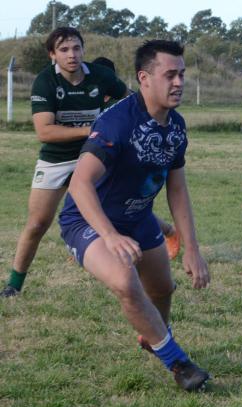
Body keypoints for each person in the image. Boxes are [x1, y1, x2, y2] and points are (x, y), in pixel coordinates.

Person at [58, 40, 211, 390]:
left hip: (139, 219)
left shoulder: (176, 126)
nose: (179, 82)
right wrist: (110, 236)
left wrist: (191, 248)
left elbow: (177, 189)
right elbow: (80, 185)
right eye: (170, 74)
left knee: (162, 289)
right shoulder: (117, 122)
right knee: (126, 282)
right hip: (87, 221)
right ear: (145, 78)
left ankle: (153, 335)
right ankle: (179, 364)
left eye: (182, 74)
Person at [1, 28, 129, 298]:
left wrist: (110, 120)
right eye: (64, 50)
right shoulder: (45, 81)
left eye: (76, 48)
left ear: (83, 50)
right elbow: (45, 132)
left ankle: (151, 254)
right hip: (56, 159)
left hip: (93, 155)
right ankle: (13, 285)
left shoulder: (101, 76)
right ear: (53, 54)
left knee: (117, 212)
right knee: (37, 223)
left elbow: (130, 102)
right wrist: (92, 128)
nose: (71, 55)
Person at [91, 56, 182, 261]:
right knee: (91, 195)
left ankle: (168, 231)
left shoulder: (123, 104)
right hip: (95, 153)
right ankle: (87, 242)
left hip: (121, 160)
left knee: (124, 204)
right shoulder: (90, 96)